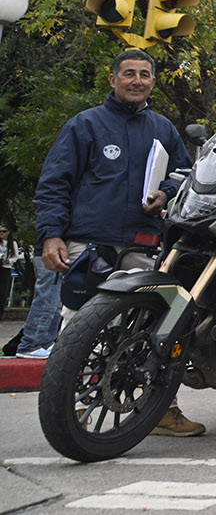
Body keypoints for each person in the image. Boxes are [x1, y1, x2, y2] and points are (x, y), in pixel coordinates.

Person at [31, 49, 201, 435]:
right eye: (128, 74)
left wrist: (167, 192)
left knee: (153, 326)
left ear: (153, 82)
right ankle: (73, 414)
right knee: (80, 327)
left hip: (143, 245)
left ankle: (160, 409)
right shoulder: (85, 125)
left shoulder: (162, 128)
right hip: (91, 245)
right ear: (113, 79)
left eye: (144, 74)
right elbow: (54, 184)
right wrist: (51, 235)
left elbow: (184, 175)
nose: (136, 80)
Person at [0, 221, 16, 309]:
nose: (1, 233)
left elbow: (15, 256)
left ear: (8, 232)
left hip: (6, 267)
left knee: (3, 291)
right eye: (0, 231)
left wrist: (9, 261)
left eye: (4, 231)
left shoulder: (12, 244)